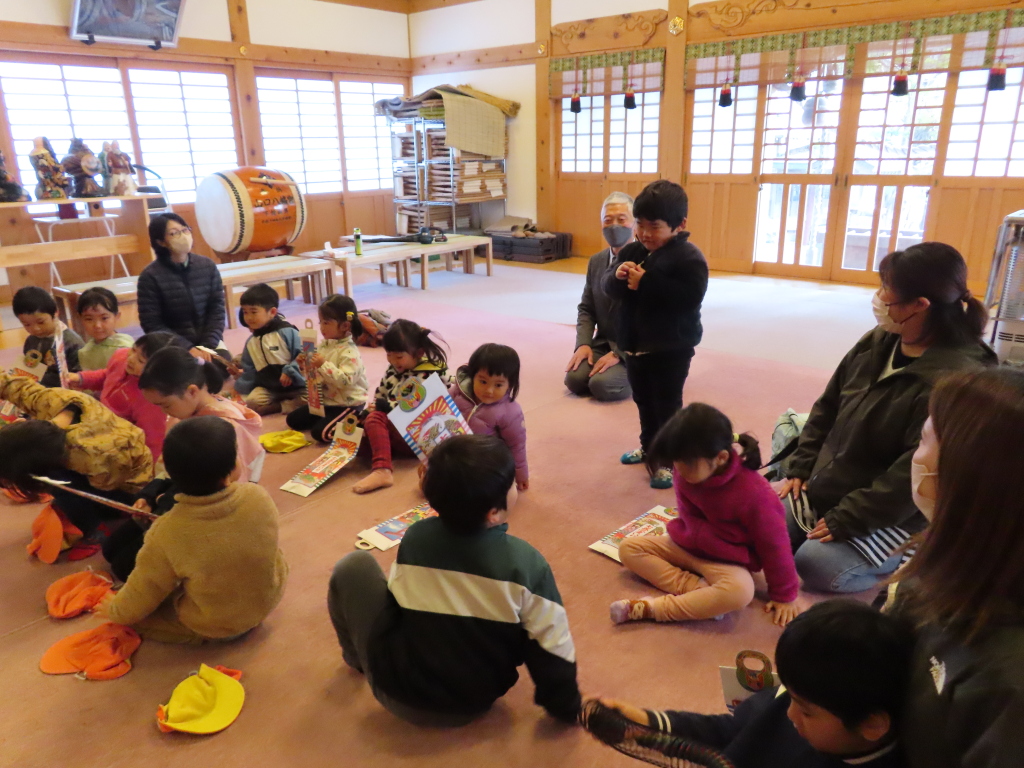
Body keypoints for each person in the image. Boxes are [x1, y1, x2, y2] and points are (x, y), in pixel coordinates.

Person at [776, 242, 995, 594]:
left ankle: (913, 550)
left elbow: (911, 477)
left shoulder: (953, 382)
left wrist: (850, 517)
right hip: (833, 480)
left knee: (816, 565)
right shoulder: (879, 339)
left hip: (892, 509)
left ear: (920, 305)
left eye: (886, 292)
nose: (879, 299)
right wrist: (801, 466)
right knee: (763, 529)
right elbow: (828, 405)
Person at [327, 435, 580, 726]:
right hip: (474, 702)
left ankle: (356, 658)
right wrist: (565, 706)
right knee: (528, 615)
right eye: (511, 483)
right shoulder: (528, 564)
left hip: (396, 692)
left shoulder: (416, 537)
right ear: (493, 513)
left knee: (354, 565)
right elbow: (552, 643)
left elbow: (398, 608)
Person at [882, 368, 1024, 767]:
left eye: (925, 439)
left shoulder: (1008, 684)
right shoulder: (954, 557)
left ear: (972, 475)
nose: (916, 455)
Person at [595, 600, 913, 768]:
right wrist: (647, 723)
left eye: (806, 711)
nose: (789, 714)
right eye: (790, 697)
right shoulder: (805, 699)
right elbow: (730, 731)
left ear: (871, 725)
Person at [98, 416, 288, 644]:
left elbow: (145, 588)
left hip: (222, 626)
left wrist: (116, 611)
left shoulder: (167, 531)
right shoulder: (257, 495)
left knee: (138, 617)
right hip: (270, 596)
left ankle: (209, 634)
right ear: (229, 473)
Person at [611, 403, 801, 626]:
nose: (679, 470)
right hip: (686, 546)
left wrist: (785, 595)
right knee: (628, 548)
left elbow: (775, 546)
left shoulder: (756, 494)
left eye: (687, 464)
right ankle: (699, 591)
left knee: (740, 592)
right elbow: (688, 515)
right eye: (676, 461)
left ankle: (652, 609)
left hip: (726, 560)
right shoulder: (685, 474)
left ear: (720, 458)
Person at [604, 180, 708, 490]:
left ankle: (667, 460)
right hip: (635, 346)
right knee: (643, 401)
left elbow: (688, 298)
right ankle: (649, 447)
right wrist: (618, 276)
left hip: (671, 349)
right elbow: (610, 288)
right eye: (640, 224)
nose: (645, 233)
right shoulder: (633, 250)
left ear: (679, 225)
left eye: (655, 226)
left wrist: (646, 283)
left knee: (667, 406)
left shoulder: (689, 257)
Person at [0, 372, 153, 539]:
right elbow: (12, 386)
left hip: (131, 490)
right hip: (110, 464)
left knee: (57, 484)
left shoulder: (91, 456)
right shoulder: (51, 400)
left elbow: (105, 483)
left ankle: (95, 531)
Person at [138, 346, 264, 484]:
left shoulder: (223, 428)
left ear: (192, 391)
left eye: (166, 405)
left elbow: (232, 481)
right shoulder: (185, 412)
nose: (163, 411)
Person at [353, 319, 451, 494]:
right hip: (399, 431)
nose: (392, 361)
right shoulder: (394, 369)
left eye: (399, 357)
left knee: (376, 419)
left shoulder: (429, 373)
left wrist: (384, 409)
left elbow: (414, 408)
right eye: (388, 355)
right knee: (358, 437)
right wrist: (368, 411)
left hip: (420, 438)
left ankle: (382, 470)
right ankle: (383, 451)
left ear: (419, 353)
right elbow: (381, 393)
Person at [564, 191, 634, 402]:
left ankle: (641, 377)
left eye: (621, 219)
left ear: (635, 223)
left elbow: (651, 321)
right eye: (608, 220)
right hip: (603, 343)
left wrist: (620, 353)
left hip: (634, 349)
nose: (614, 225)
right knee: (574, 380)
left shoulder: (646, 261)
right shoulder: (596, 261)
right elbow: (586, 308)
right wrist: (583, 344)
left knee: (601, 385)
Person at [67, 331, 176, 462]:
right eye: (133, 350)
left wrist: (148, 469)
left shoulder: (151, 400)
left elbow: (152, 442)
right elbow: (108, 375)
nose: (131, 359)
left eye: (140, 360)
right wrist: (82, 379)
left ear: (156, 371)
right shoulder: (121, 356)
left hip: (117, 442)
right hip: (98, 417)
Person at [137, 213, 229, 362]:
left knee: (221, 367)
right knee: (184, 371)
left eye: (185, 230)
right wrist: (187, 348)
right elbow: (152, 323)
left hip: (209, 343)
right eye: (174, 233)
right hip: (172, 346)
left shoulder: (207, 266)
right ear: (161, 242)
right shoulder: (149, 276)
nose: (184, 236)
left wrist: (207, 346)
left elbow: (217, 309)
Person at [285, 294, 370, 444]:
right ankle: (330, 420)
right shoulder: (324, 346)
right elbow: (313, 377)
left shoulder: (350, 352)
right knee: (293, 420)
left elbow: (345, 381)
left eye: (326, 323)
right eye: (321, 322)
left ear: (345, 326)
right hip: (327, 401)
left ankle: (359, 421)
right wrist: (304, 365)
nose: (322, 327)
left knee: (321, 433)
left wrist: (323, 364)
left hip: (348, 404)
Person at [449, 343, 529, 491]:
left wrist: (520, 474)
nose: (489, 390)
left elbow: (517, 445)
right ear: (472, 376)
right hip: (455, 453)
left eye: (498, 385)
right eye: (483, 381)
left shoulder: (510, 411)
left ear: (510, 384)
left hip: (485, 462)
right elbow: (439, 411)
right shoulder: (457, 392)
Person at [230, 283, 306, 416]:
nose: (248, 317)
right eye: (245, 312)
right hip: (270, 388)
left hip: (296, 385)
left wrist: (290, 371)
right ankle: (281, 402)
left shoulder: (288, 332)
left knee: (317, 397)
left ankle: (279, 407)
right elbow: (250, 371)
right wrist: (239, 381)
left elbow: (303, 355)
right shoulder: (251, 342)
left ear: (272, 312)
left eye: (254, 312)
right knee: (252, 401)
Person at [12, 286, 83, 388]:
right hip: (38, 390)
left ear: (55, 313)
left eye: (41, 322)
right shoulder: (31, 341)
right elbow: (28, 369)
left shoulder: (71, 341)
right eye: (27, 324)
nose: (35, 328)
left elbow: (79, 377)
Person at [75, 287, 134, 371]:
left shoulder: (125, 347)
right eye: (89, 319)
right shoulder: (84, 352)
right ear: (80, 319)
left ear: (117, 316)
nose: (97, 325)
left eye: (104, 318)